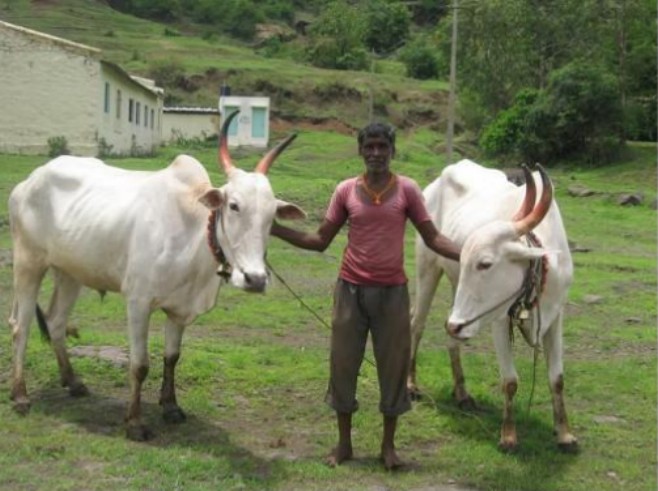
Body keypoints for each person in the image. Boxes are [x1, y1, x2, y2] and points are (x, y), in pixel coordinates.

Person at [270, 122, 460, 470]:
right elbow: (319, 240)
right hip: (350, 292)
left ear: (392, 151)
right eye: (369, 147)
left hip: (393, 295)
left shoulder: (407, 190)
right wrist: (273, 227)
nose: (375, 153)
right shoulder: (345, 191)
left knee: (393, 370)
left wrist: (471, 253)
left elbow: (433, 238)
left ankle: (388, 447)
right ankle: (344, 444)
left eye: (382, 147)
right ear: (360, 151)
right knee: (343, 366)